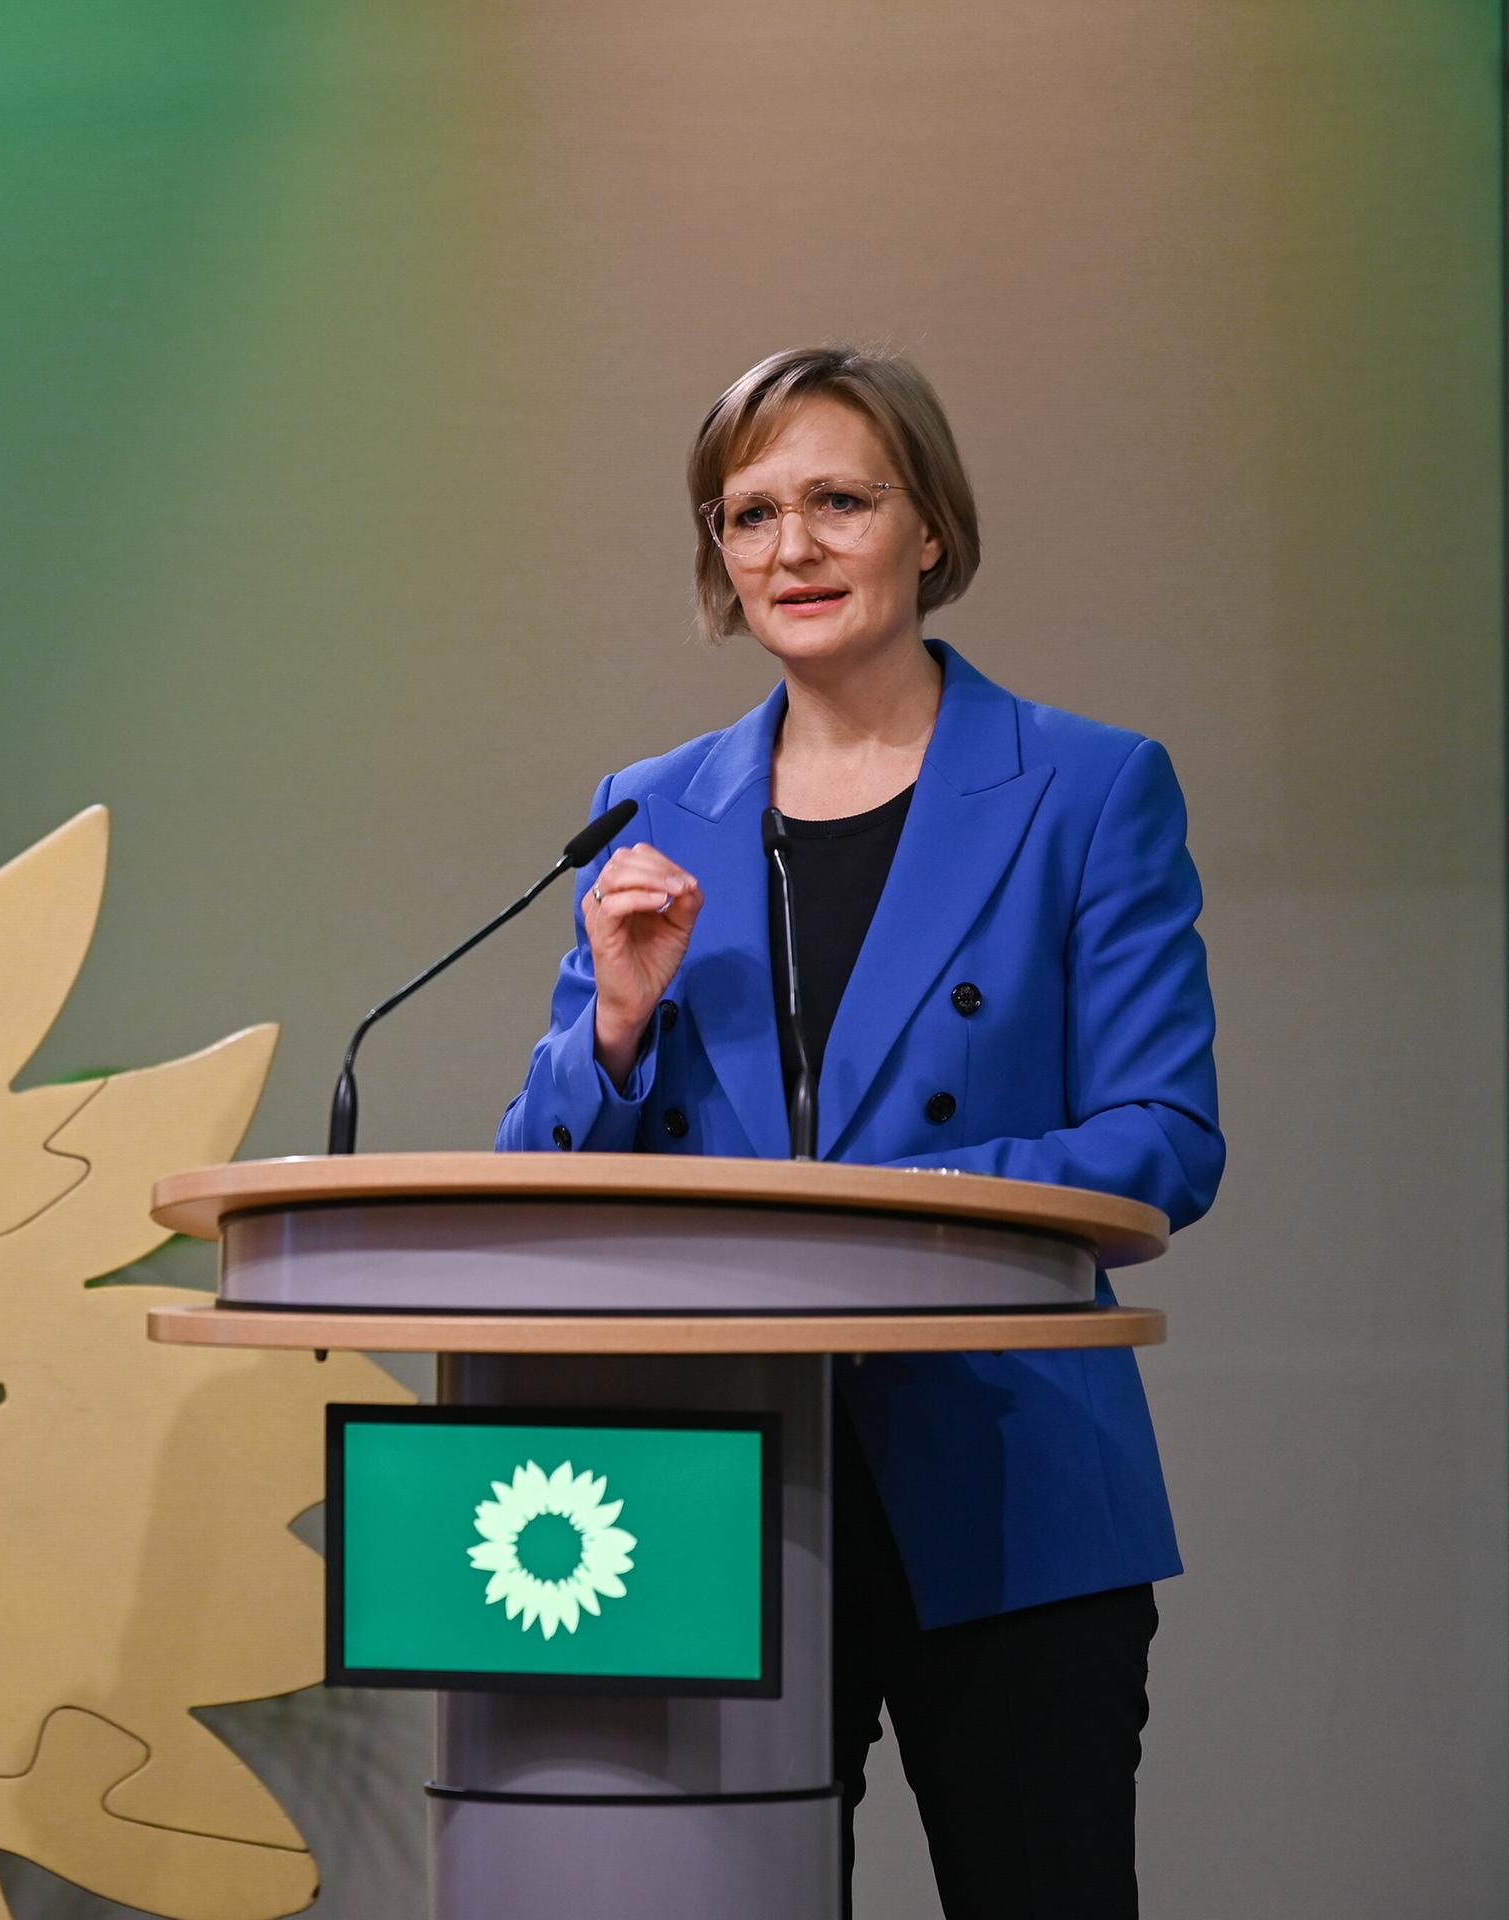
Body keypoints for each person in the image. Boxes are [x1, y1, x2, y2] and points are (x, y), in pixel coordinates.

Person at [495, 344, 1223, 1918]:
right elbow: (542, 1170)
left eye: (839, 500)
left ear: (931, 530)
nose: (792, 549)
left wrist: (888, 1210)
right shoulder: (647, 809)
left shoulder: (1087, 790)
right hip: (711, 1492)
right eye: (748, 515)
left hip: (1009, 1476)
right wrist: (613, 1020)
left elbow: (1166, 1137)